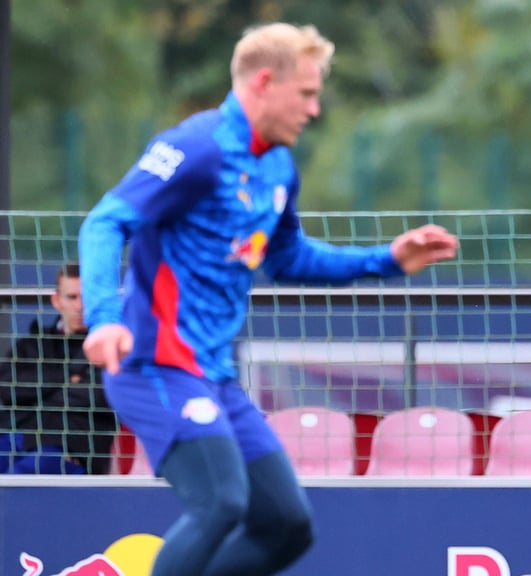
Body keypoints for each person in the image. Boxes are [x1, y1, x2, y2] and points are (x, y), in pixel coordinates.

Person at [78, 23, 458, 576]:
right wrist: (104, 318)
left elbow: (288, 259)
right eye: (306, 93)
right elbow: (105, 222)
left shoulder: (277, 166)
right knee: (221, 503)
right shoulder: (197, 147)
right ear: (263, 83)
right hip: (154, 366)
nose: (315, 109)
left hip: (213, 377)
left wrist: (388, 259)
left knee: (286, 523)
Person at [0, 262, 118, 475]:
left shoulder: (110, 346)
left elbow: (100, 395)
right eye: (72, 297)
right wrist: (68, 376)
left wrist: (33, 396)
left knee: (19, 479)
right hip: (15, 437)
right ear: (56, 300)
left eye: (87, 298)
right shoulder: (32, 344)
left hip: (68, 448)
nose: (80, 306)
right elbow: (8, 387)